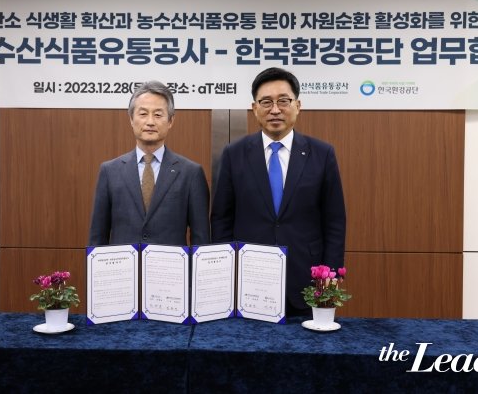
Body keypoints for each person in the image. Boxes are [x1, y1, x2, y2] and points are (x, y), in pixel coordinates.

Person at [211, 67, 346, 316]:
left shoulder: (322, 153)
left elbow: (334, 221)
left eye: (283, 101)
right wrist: (224, 274)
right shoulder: (234, 154)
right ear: (254, 108)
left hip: (306, 280)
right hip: (248, 282)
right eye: (266, 102)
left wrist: (330, 277)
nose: (275, 110)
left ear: (298, 105)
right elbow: (221, 219)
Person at [89, 81, 210, 247]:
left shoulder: (191, 173)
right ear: (131, 119)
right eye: (143, 114)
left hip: (171, 264)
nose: (150, 122)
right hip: (124, 264)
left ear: (171, 121)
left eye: (158, 115)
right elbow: (97, 237)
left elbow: (201, 239)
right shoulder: (109, 172)